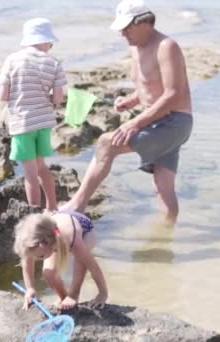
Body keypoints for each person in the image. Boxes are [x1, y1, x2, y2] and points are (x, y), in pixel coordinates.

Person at [61, 0, 193, 224]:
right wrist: (130, 101)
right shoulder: (134, 48)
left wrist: (134, 123)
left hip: (174, 122)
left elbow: (174, 95)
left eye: (126, 27)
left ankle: (77, 205)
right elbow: (148, 88)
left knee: (105, 143)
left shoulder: (166, 46)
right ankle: (168, 236)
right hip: (157, 120)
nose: (122, 34)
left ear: (145, 23)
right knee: (163, 189)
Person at [0, 18, 67, 212]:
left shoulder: (12, 60)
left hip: (22, 123)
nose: (50, 47)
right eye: (50, 44)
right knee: (42, 167)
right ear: (45, 41)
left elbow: (2, 95)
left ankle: (35, 215)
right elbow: (58, 99)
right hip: (44, 122)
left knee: (30, 174)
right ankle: (52, 207)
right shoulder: (53, 62)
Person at [13, 211, 108, 310]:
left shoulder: (72, 239)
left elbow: (93, 267)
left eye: (40, 256)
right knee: (48, 273)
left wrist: (103, 294)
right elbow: (27, 261)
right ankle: (63, 296)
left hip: (85, 231)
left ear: (46, 244)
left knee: (81, 261)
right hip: (55, 229)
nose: (37, 259)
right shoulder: (39, 242)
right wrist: (30, 288)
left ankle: (73, 294)